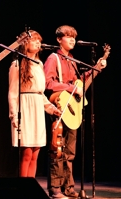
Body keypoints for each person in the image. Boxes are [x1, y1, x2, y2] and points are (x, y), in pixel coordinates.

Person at [44, 25, 107, 198]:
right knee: (57, 149)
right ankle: (55, 188)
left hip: (73, 110)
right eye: (68, 36)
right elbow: (48, 83)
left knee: (70, 152)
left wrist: (97, 68)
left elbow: (79, 83)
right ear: (59, 39)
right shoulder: (53, 58)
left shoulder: (73, 60)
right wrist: (71, 87)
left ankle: (68, 187)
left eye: (74, 37)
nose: (72, 39)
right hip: (59, 108)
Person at [8, 30, 61, 178]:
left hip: (37, 108)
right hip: (25, 108)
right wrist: (14, 115)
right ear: (25, 43)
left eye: (39, 40)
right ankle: (22, 188)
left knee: (35, 153)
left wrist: (51, 108)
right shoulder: (17, 65)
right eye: (34, 40)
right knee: (26, 153)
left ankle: (30, 187)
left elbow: (40, 93)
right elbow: (12, 92)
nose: (38, 43)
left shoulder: (39, 64)